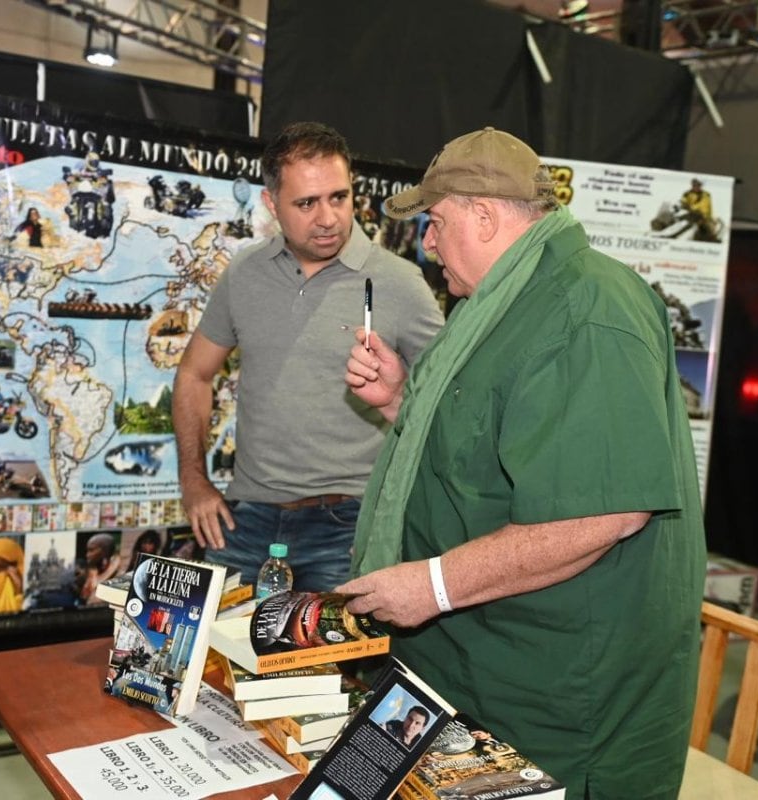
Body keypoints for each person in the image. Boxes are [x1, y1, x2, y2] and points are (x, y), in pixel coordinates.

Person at [337, 128, 705, 799]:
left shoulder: (583, 308)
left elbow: (605, 512)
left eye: (435, 223)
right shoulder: (504, 303)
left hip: (555, 702)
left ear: (482, 215)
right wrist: (399, 403)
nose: (427, 244)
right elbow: (492, 455)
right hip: (468, 672)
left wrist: (433, 586)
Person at [171, 121, 443, 591]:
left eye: (339, 197)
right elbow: (194, 374)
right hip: (245, 521)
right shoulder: (245, 273)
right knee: (220, 663)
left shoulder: (399, 282)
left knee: (329, 665)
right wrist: (194, 482)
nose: (328, 217)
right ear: (271, 204)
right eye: (306, 203)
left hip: (347, 526)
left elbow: (449, 393)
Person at [79, 531, 124, 605]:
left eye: (91, 550)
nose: (87, 555)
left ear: (105, 551)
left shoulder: (120, 577)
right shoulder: (91, 574)